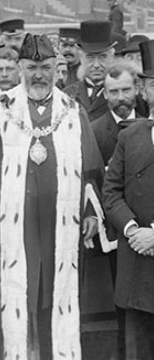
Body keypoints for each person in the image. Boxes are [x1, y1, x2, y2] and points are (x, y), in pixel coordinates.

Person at [0, 33, 105, 359]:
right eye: (32, 67)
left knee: (53, 291)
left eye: (46, 67)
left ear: (57, 67)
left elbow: (91, 168)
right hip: (12, 227)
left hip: (60, 226)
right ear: (20, 67)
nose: (39, 75)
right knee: (17, 292)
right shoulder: (1, 111)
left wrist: (91, 211)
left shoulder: (73, 112)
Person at [102, 39, 154, 359]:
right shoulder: (129, 135)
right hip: (136, 266)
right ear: (145, 91)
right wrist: (134, 231)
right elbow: (111, 193)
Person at [65, 20, 117, 122]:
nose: (96, 65)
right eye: (90, 57)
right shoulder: (66, 95)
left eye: (103, 57)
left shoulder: (122, 93)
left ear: (112, 57)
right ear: (81, 57)